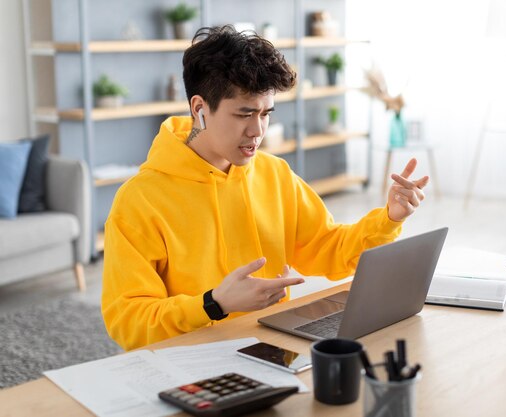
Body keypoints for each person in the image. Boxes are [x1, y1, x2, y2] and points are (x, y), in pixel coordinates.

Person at [101, 25, 429, 351]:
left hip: (271, 349)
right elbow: (127, 320)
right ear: (200, 109)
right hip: (187, 361)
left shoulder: (274, 174)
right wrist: (213, 304)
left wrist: (389, 218)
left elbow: (330, 249)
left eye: (266, 113)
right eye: (244, 113)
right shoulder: (140, 200)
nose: (257, 130)